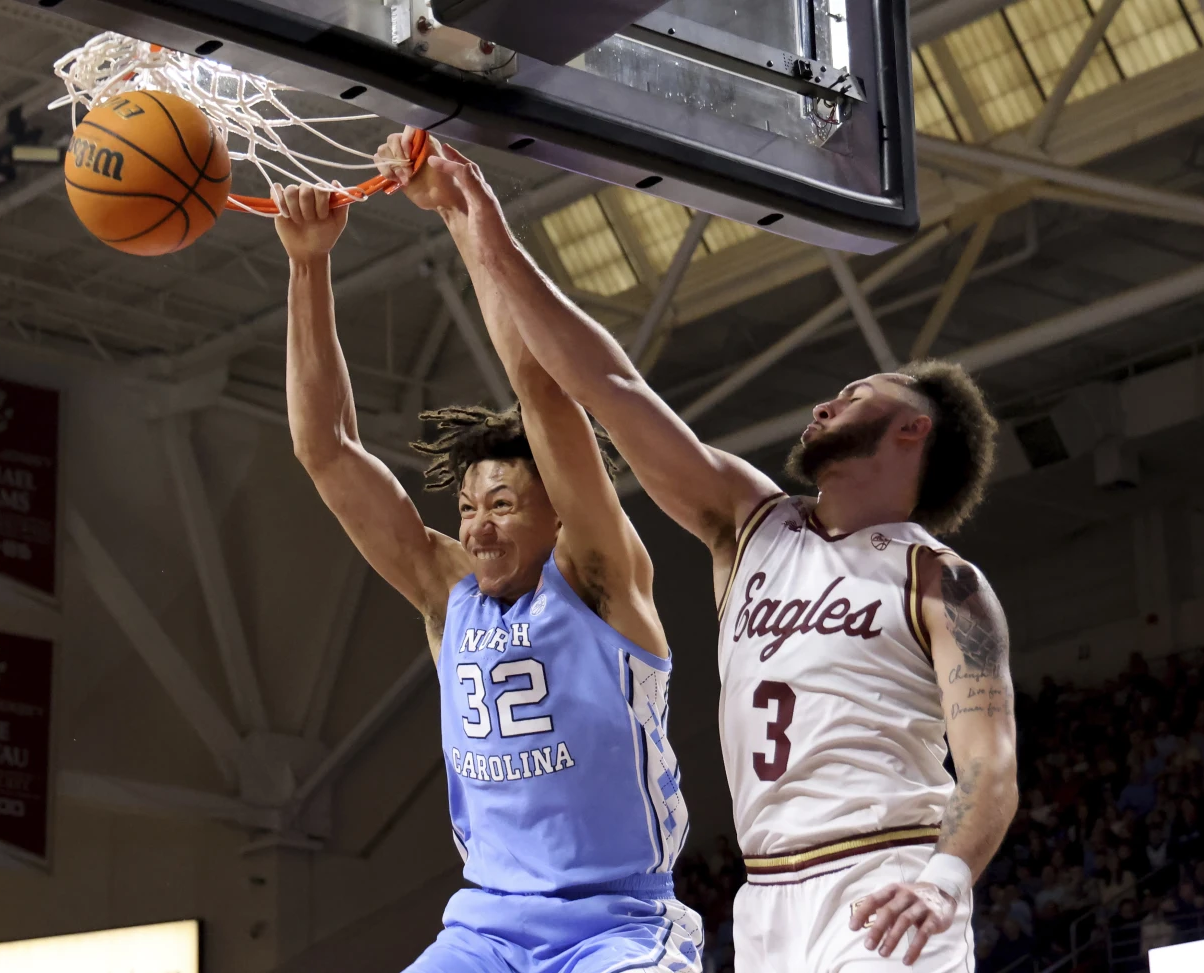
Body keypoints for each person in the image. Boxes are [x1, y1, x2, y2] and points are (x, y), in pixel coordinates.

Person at [406, 133, 1020, 970]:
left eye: (854, 395)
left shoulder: (942, 580)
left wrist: (946, 877)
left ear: (914, 429)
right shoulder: (748, 520)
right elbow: (606, 386)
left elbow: (990, 761)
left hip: (887, 870)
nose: (825, 402)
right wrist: (477, 222)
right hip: (768, 892)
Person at [274, 159, 702, 973]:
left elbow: (542, 389)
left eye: (502, 505)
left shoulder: (604, 582)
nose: (477, 526)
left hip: (617, 922)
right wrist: (308, 263)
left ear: (555, 514)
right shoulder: (448, 596)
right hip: (485, 932)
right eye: (469, 508)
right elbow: (323, 449)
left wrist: (458, 216)